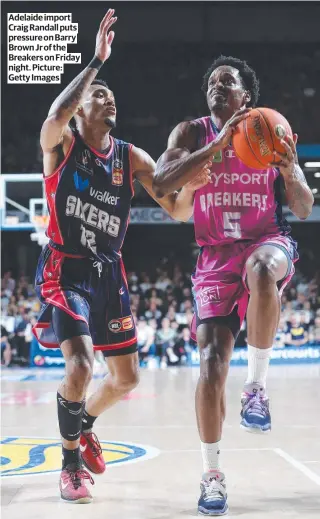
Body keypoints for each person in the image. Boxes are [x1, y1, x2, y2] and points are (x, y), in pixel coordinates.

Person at [32, 9, 209, 504]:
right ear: (82, 109)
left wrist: (193, 188)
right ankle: (69, 466)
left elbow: (175, 210)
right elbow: (51, 118)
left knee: (127, 377)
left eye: (112, 94)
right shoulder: (62, 144)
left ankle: (84, 421)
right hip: (65, 269)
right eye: (99, 95)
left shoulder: (131, 157)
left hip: (110, 274)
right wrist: (95, 63)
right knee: (82, 366)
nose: (109, 97)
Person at [154, 55, 314, 515]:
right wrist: (215, 148)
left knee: (263, 270)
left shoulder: (271, 130)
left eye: (228, 82)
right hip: (213, 257)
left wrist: (288, 169)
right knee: (209, 367)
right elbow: (163, 182)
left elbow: (302, 208)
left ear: (247, 95)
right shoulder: (190, 132)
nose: (217, 87)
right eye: (212, 82)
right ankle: (212, 476)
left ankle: (257, 388)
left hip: (265, 239)